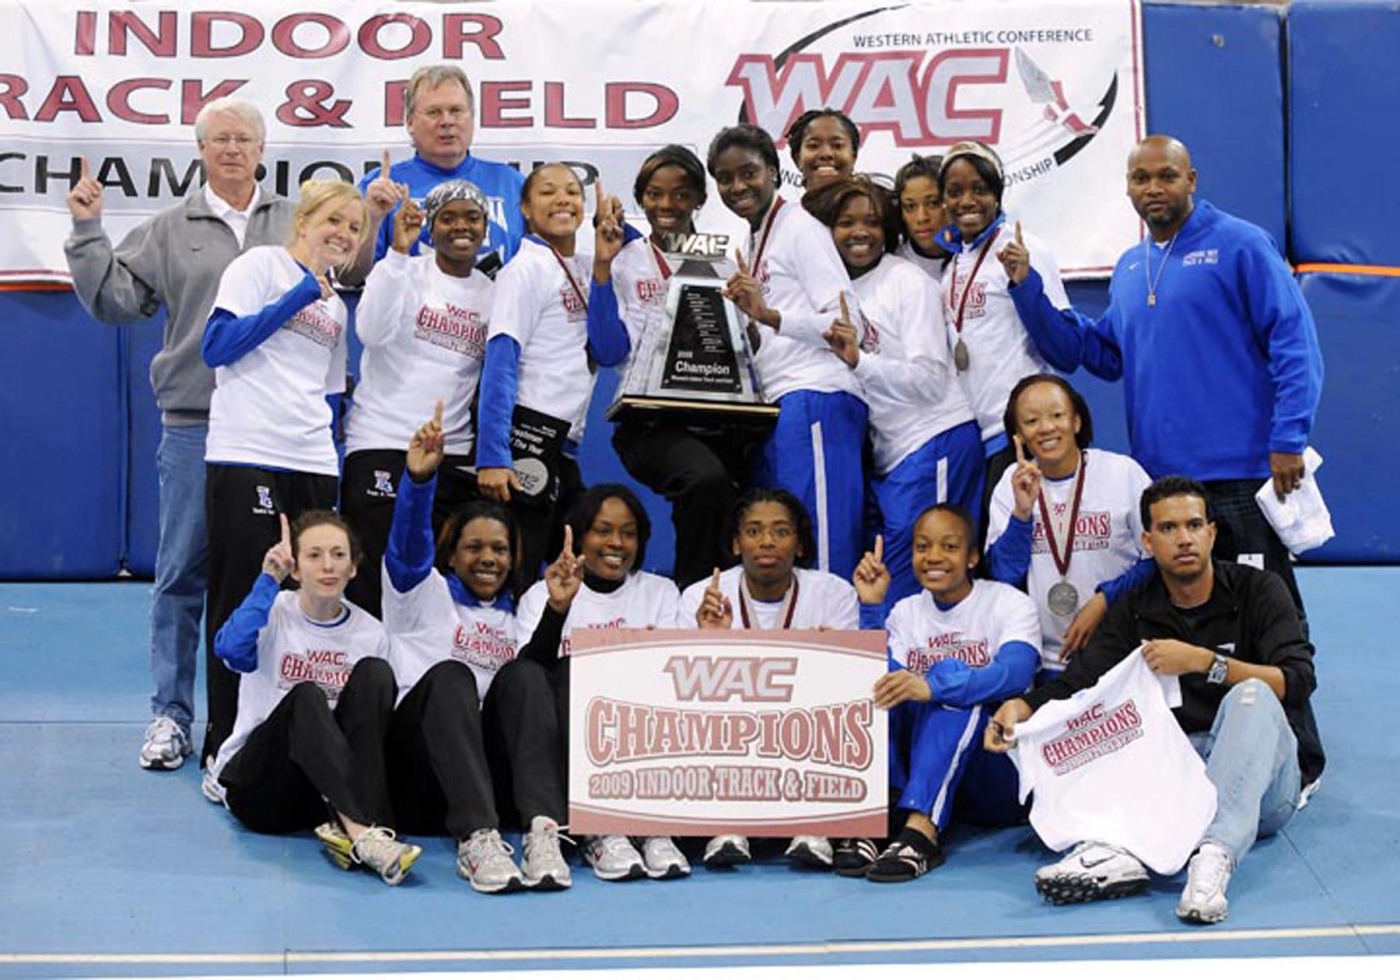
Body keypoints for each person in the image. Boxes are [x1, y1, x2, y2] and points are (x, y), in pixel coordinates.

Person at [1002, 135, 1324, 624]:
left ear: (1190, 180)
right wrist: (1028, 289)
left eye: (1166, 176)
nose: (1153, 187)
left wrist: (1289, 437)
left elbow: (1295, 343)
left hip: (1239, 473)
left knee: (1265, 609)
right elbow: (1100, 354)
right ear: (1128, 189)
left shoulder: (1241, 243)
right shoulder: (1133, 266)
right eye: (1141, 178)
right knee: (1189, 614)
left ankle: (1291, 702)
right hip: (1162, 478)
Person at [63, 97, 296, 771]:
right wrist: (86, 231)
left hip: (279, 430)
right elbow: (115, 303)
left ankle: (267, 713)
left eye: (243, 138)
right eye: (219, 138)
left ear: (261, 148)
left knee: (280, 572)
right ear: (200, 150)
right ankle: (170, 716)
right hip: (198, 424)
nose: (231, 148)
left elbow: (352, 272)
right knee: (181, 574)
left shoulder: (294, 221)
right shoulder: (170, 229)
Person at [986, 477, 1322, 923]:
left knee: (1253, 694)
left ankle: (1209, 858)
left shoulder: (1259, 590)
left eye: (1194, 525)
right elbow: (1078, 684)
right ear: (1147, 540)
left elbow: (1297, 681)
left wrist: (1205, 662)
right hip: (1178, 780)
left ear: (1212, 533)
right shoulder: (1134, 610)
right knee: (1106, 729)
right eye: (1167, 529)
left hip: (1262, 787)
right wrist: (1021, 709)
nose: (1184, 538)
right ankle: (1121, 854)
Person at [200, 179, 368, 771]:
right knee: (242, 593)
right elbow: (217, 346)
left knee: (302, 597)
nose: (344, 234)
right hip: (249, 449)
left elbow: (328, 395)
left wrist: (329, 450)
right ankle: (224, 739)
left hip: (313, 460)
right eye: (335, 221)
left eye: (354, 227)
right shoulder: (260, 267)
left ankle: (286, 733)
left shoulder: (334, 304)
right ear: (305, 219)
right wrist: (295, 296)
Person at [380, 403, 571, 893]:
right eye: (474, 548)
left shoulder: (517, 611)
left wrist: (555, 611)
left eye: (500, 549)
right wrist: (419, 483)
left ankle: (543, 831)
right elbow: (407, 547)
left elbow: (530, 697)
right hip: (422, 778)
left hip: (492, 778)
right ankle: (476, 840)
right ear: (451, 553)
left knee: (527, 676)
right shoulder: (421, 593)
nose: (488, 558)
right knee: (452, 676)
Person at [207, 511, 421, 886]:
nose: (328, 566)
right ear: (296, 568)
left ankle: (358, 823)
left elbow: (374, 726)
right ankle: (362, 832)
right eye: (314, 555)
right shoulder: (273, 611)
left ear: (353, 568)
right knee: (306, 696)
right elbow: (229, 650)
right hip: (262, 786)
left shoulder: (370, 632)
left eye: (339, 555)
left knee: (375, 673)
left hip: (319, 793)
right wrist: (268, 578)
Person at [804, 177, 982, 613]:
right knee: (886, 581)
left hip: (933, 439)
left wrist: (859, 361)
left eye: (871, 222)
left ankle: (929, 675)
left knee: (926, 578)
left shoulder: (907, 282)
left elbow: (929, 380)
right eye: (846, 223)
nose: (859, 232)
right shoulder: (832, 291)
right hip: (889, 457)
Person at [844, 507, 1040, 882]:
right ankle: (876, 818)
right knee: (883, 692)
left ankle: (921, 832)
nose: (933, 557)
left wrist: (933, 686)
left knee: (951, 683)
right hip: (924, 771)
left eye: (949, 547)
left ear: (972, 557)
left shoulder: (1007, 602)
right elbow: (875, 681)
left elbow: (1015, 674)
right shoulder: (904, 612)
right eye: (922, 547)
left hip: (996, 776)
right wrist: (871, 609)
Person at [708, 124, 868, 579]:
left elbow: (847, 323)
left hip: (817, 397)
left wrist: (769, 314)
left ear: (776, 173)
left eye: (749, 173)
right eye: (725, 177)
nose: (738, 186)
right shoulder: (749, 244)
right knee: (788, 550)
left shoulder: (801, 228)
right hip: (777, 406)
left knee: (822, 542)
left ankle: (835, 643)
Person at [679, 488, 859, 871]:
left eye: (781, 531)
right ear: (735, 542)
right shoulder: (701, 596)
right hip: (732, 731)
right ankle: (726, 823)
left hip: (804, 731)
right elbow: (683, 693)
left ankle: (817, 825)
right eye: (754, 531)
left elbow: (852, 685)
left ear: (800, 545)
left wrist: (829, 659)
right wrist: (713, 642)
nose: (766, 541)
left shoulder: (835, 594)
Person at [516, 484, 688, 882]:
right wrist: (557, 611)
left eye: (628, 533)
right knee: (568, 671)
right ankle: (598, 829)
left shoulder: (660, 594)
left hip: (640, 740)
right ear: (577, 534)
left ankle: (650, 828)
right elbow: (526, 679)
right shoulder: (541, 594)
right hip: (566, 748)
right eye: (603, 530)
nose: (616, 543)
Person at [342, 180, 495, 618]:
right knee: (373, 578)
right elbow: (369, 332)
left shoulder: (492, 293)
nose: (461, 226)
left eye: (472, 217)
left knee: (437, 586)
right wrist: (397, 252)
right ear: (431, 225)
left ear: (485, 227)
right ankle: (373, 681)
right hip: (382, 443)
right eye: (448, 217)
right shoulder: (404, 269)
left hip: (451, 456)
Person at [475, 163, 630, 581]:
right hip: (522, 442)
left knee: (562, 571)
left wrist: (603, 265)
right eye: (547, 192)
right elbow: (501, 361)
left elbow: (610, 349)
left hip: (562, 448)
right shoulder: (523, 270)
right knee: (519, 575)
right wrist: (492, 456)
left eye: (572, 191)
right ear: (525, 208)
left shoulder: (586, 265)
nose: (562, 199)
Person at [609, 145, 754, 587]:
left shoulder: (726, 262)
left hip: (722, 417)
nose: (666, 205)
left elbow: (746, 346)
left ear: (698, 200)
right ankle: (693, 595)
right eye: (654, 194)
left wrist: (753, 310)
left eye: (681, 194)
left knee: (745, 505)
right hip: (650, 421)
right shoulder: (623, 262)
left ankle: (732, 604)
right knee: (704, 480)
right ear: (641, 199)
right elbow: (614, 349)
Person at [984, 375, 1153, 673]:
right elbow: (1004, 575)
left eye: (1057, 415)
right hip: (1050, 660)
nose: (1047, 427)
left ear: (1076, 421)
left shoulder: (1122, 473)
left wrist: (1104, 599)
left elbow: (1157, 560)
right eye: (1032, 421)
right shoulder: (1011, 485)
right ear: (1018, 436)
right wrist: (1022, 515)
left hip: (1123, 652)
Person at [937, 141, 1067, 458]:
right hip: (977, 435)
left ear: (997, 194)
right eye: (955, 191)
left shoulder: (1026, 250)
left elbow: (1063, 346)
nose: (967, 201)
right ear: (944, 200)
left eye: (979, 189)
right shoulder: (951, 268)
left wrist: (1025, 285)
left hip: (1024, 430)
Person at [345, 65, 526, 284]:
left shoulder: (511, 183)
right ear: (410, 122)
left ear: (472, 118)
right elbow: (349, 277)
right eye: (433, 112)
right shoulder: (381, 187)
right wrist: (373, 218)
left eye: (456, 110)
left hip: (497, 315)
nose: (447, 121)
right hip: (410, 316)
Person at [892, 154, 950, 277]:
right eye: (910, 206)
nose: (922, 217)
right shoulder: (892, 267)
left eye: (933, 203)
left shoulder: (978, 256)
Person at [785, 108, 860, 190]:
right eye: (813, 146)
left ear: (853, 157)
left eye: (837, 145)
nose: (826, 154)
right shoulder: (789, 203)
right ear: (798, 159)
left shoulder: (873, 202)